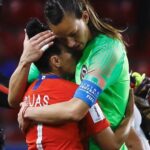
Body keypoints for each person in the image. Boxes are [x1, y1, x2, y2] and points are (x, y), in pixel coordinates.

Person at [8, 0, 142, 149]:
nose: (70, 43)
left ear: (85, 17)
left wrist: (29, 112)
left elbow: (77, 110)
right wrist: (25, 60)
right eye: (62, 37)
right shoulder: (61, 52)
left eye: (73, 33)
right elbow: (13, 99)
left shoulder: (106, 51)